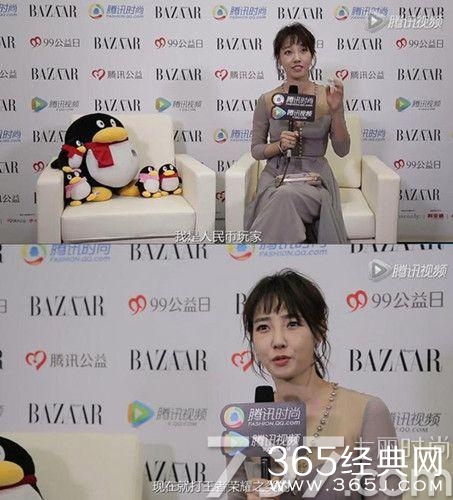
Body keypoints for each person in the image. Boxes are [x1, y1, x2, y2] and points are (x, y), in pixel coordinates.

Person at [227, 269, 401, 499]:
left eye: (292, 323)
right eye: (263, 327)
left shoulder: (368, 412)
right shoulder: (244, 429)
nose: (278, 341)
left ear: (319, 331)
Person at [244, 23, 350, 244]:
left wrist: (336, 110)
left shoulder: (328, 97)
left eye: (303, 50)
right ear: (279, 59)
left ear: (312, 56)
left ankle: (250, 252)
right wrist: (279, 146)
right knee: (280, 194)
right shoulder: (267, 100)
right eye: (288, 52)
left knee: (284, 196)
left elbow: (342, 150)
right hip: (276, 176)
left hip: (314, 179)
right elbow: (256, 150)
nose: (297, 58)